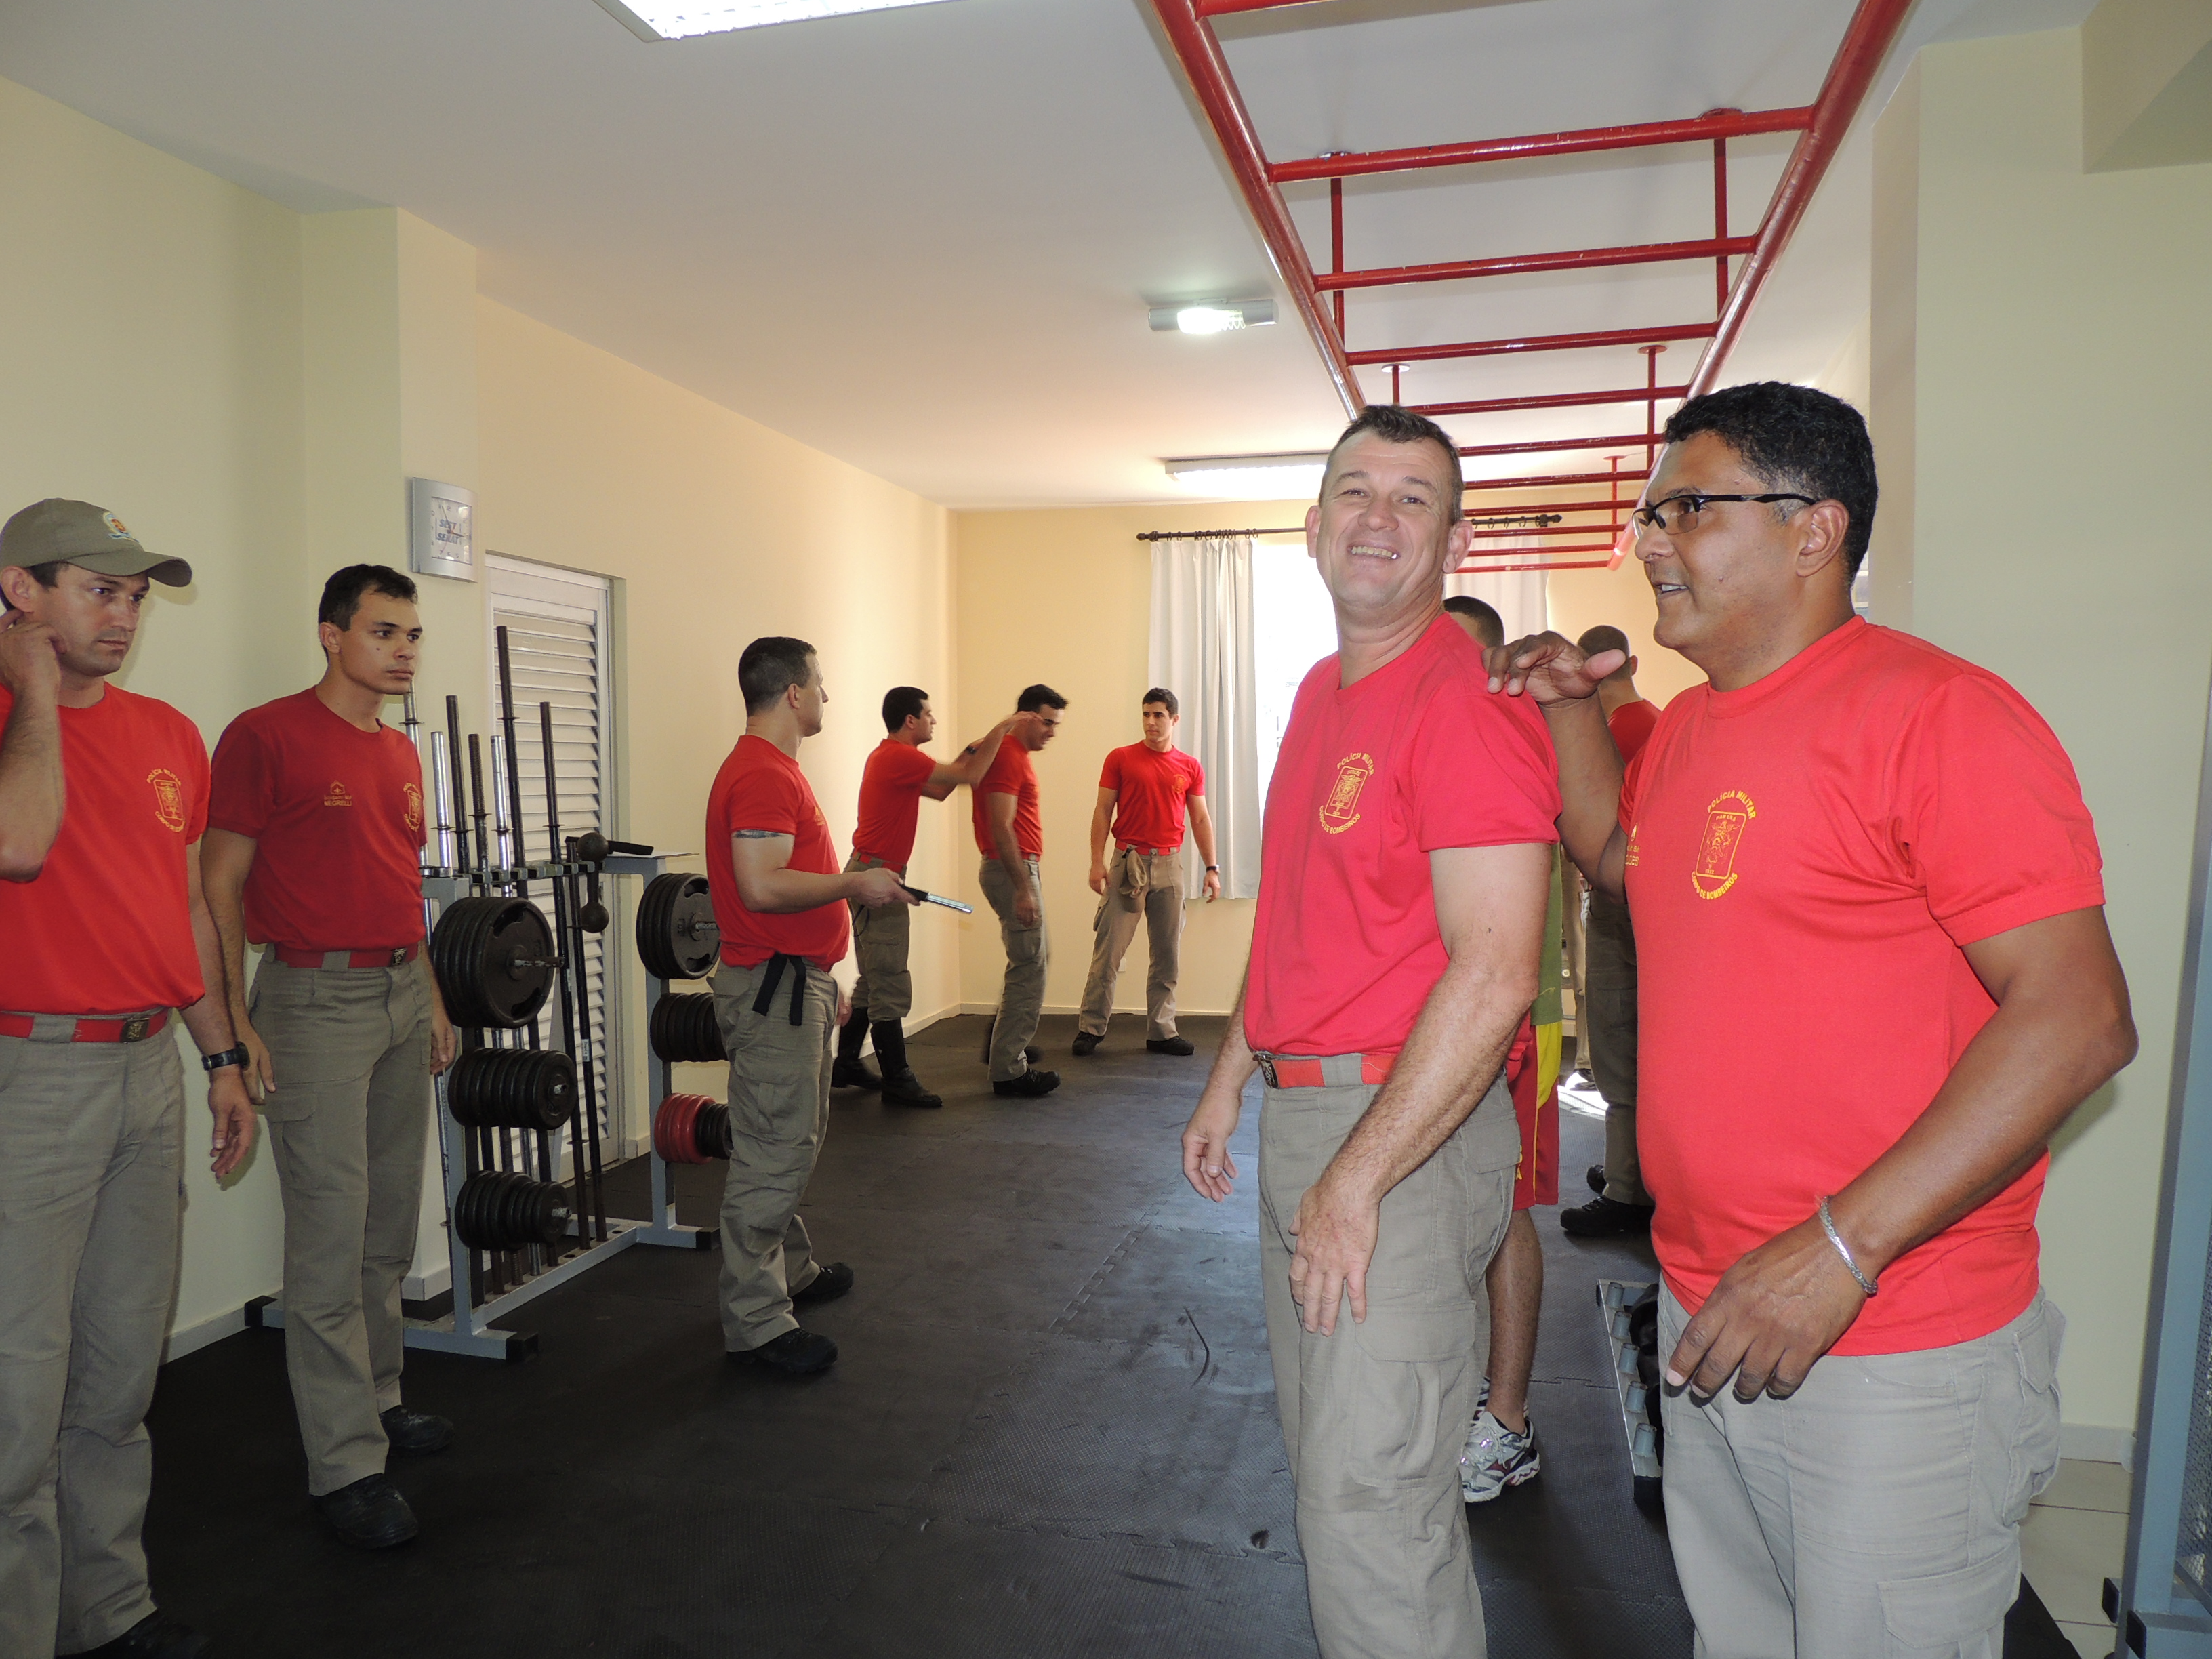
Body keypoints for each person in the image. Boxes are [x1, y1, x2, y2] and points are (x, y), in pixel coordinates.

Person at [1485, 382, 2134, 1658]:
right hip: (1709, 1308)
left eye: (1685, 507)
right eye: (1650, 513)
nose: (1649, 540)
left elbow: (2078, 1018)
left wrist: (1841, 1247)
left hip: (1888, 1332)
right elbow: (1620, 861)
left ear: (1813, 529)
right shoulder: (1689, 730)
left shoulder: (1936, 714)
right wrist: (1568, 707)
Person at [1180, 407, 1558, 1659]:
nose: (1377, 518)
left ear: (1454, 540)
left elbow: (1497, 973)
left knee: (1373, 1506)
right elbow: (1294, 914)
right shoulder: (1316, 690)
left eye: (1413, 498)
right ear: (1311, 525)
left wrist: (1355, 1179)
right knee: (1333, 1478)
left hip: (1399, 1133)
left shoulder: (1465, 706)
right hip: (1312, 1112)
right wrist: (1230, 1078)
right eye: (1355, 490)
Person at [0, 499, 255, 1659]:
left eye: (137, 596)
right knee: (18, 1395)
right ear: (21, 591)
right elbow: (20, 842)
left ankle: (107, 1613)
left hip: (147, 1065)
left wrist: (222, 1055)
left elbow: (184, 909)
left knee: (116, 1377)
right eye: (98, 590)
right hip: (30, 1076)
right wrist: (31, 689)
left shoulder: (168, 732)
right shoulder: (13, 721)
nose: (124, 616)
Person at [201, 565, 459, 1551]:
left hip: (399, 991)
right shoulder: (265, 735)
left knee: (386, 1223)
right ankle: (346, 1466)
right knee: (328, 1235)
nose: (403, 650)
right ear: (331, 635)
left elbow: (400, 881)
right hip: (311, 1002)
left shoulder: (399, 751)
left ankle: (379, 1399)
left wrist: (431, 997)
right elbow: (218, 882)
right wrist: (236, 1021)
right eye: (384, 631)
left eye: (413, 634)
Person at [708, 636, 915, 1377]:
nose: (827, 696)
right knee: (774, 1151)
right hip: (775, 993)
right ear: (793, 693)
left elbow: (783, 882)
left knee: (789, 1139)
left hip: (796, 985)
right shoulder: (763, 774)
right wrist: (858, 884)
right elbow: (762, 886)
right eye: (820, 684)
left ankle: (788, 1270)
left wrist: (829, 975)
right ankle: (757, 1323)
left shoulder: (772, 769)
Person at [1441, 594, 1559, 1503]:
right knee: (1451, 1205)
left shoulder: (1511, 735)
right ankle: (1464, 1394)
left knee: (1505, 1210)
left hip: (1514, 1016)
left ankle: (1509, 1424)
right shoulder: (1436, 733)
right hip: (1445, 1014)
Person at [835, 687, 1029, 1107]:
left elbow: (942, 789)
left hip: (871, 870)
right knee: (890, 981)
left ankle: (846, 1062)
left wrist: (972, 749)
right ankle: (898, 1080)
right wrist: (1001, 730)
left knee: (874, 978)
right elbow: (971, 776)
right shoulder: (899, 757)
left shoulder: (892, 758)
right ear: (910, 721)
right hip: (876, 875)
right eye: (928, 714)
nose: (933, 720)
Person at [1558, 621, 1660, 1237]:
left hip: (1624, 902)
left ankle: (1629, 1193)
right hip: (1647, 902)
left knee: (1620, 1045)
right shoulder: (1660, 722)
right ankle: (1633, 1170)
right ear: (1633, 664)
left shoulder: (1610, 736)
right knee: (1637, 1042)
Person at [1072, 687, 1220, 1059]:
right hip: (1128, 864)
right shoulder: (1121, 758)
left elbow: (1200, 819)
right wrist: (1096, 861)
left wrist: (1212, 868)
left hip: (1169, 866)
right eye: (1146, 714)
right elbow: (1103, 810)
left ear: (1174, 719)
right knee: (1108, 952)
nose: (1151, 722)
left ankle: (1162, 1032)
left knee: (1167, 955)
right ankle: (1090, 1028)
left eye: (1158, 715)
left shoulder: (1189, 766)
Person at [973, 683, 1067, 1098]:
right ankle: (1009, 1068)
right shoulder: (1009, 755)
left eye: (1056, 725)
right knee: (1030, 966)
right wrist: (1022, 889)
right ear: (1026, 717)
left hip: (1016, 869)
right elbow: (1001, 826)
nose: (1052, 732)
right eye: (1046, 722)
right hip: (1012, 869)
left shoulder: (1007, 752)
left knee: (1032, 961)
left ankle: (1004, 1049)